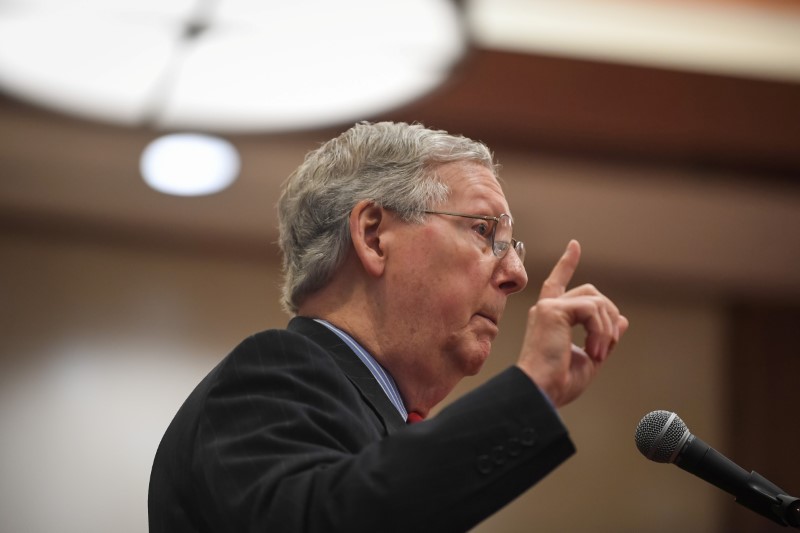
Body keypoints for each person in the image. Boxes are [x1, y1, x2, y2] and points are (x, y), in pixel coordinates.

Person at [148, 121, 629, 532]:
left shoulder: (380, 425)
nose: (517, 276)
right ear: (374, 236)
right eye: (484, 231)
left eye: (513, 246)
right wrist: (531, 390)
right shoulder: (274, 374)